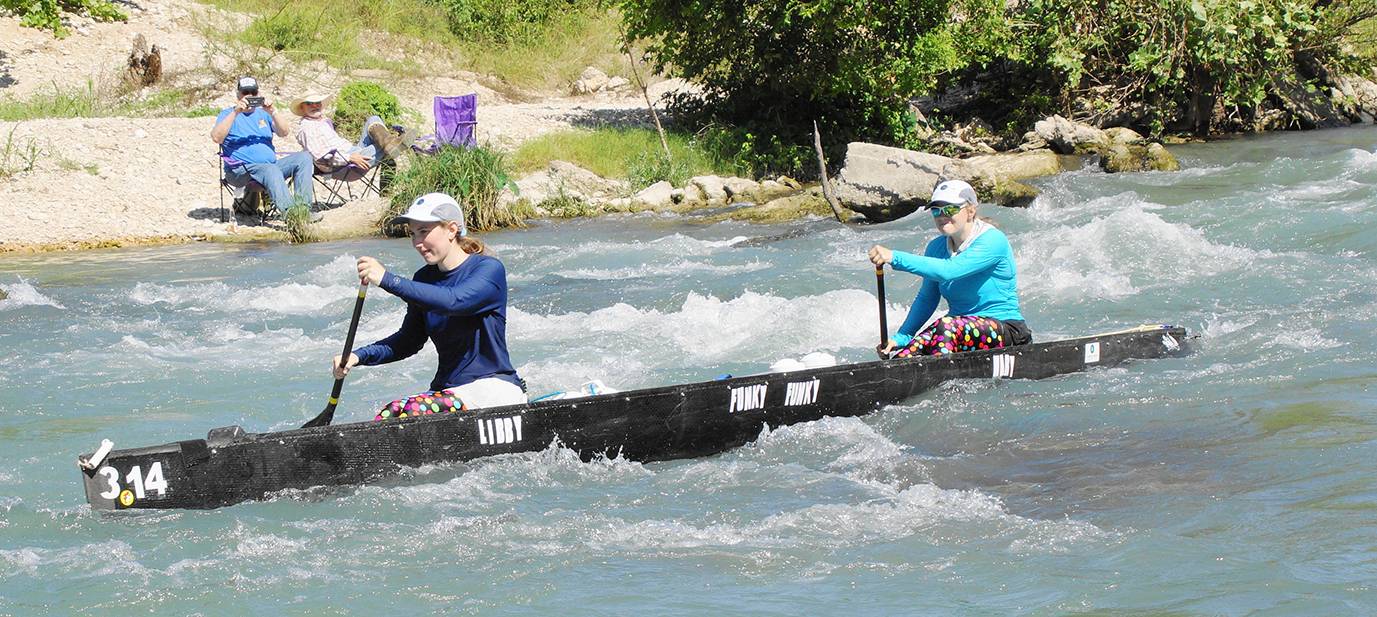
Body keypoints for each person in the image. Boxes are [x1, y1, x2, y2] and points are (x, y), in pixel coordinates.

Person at [332, 192, 526, 419]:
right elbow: (408, 341)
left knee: (398, 411)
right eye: (413, 234)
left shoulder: (488, 270)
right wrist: (357, 356)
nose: (417, 242)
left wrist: (387, 279)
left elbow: (453, 301)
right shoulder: (424, 278)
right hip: (448, 392)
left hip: (493, 389)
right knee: (395, 413)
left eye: (424, 231)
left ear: (452, 230)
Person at [867, 179, 1032, 358]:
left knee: (945, 326)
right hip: (957, 331)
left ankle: (947, 381)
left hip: (1007, 331)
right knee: (908, 353)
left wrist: (894, 257)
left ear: (970, 210)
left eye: (950, 209)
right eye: (936, 210)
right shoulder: (936, 248)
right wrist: (902, 337)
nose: (941, 215)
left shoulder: (993, 240)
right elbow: (927, 298)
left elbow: (949, 271)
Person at [211, 76, 320, 222]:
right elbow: (217, 138)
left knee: (304, 158)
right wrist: (236, 112)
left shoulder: (264, 114)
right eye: (245, 92)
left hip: (270, 169)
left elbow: (284, 132)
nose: (249, 96)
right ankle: (291, 215)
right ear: (238, 95)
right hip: (239, 171)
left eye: (253, 92)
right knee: (270, 169)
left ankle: (303, 211)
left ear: (258, 93)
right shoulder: (227, 114)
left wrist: (273, 112)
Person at [290, 92, 409, 172]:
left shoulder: (323, 121)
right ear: (302, 108)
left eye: (317, 102)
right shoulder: (307, 128)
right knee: (386, 148)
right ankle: (395, 144)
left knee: (374, 120)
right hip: (342, 164)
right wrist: (349, 158)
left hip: (351, 152)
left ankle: (392, 144)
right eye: (309, 103)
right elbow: (320, 157)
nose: (314, 106)